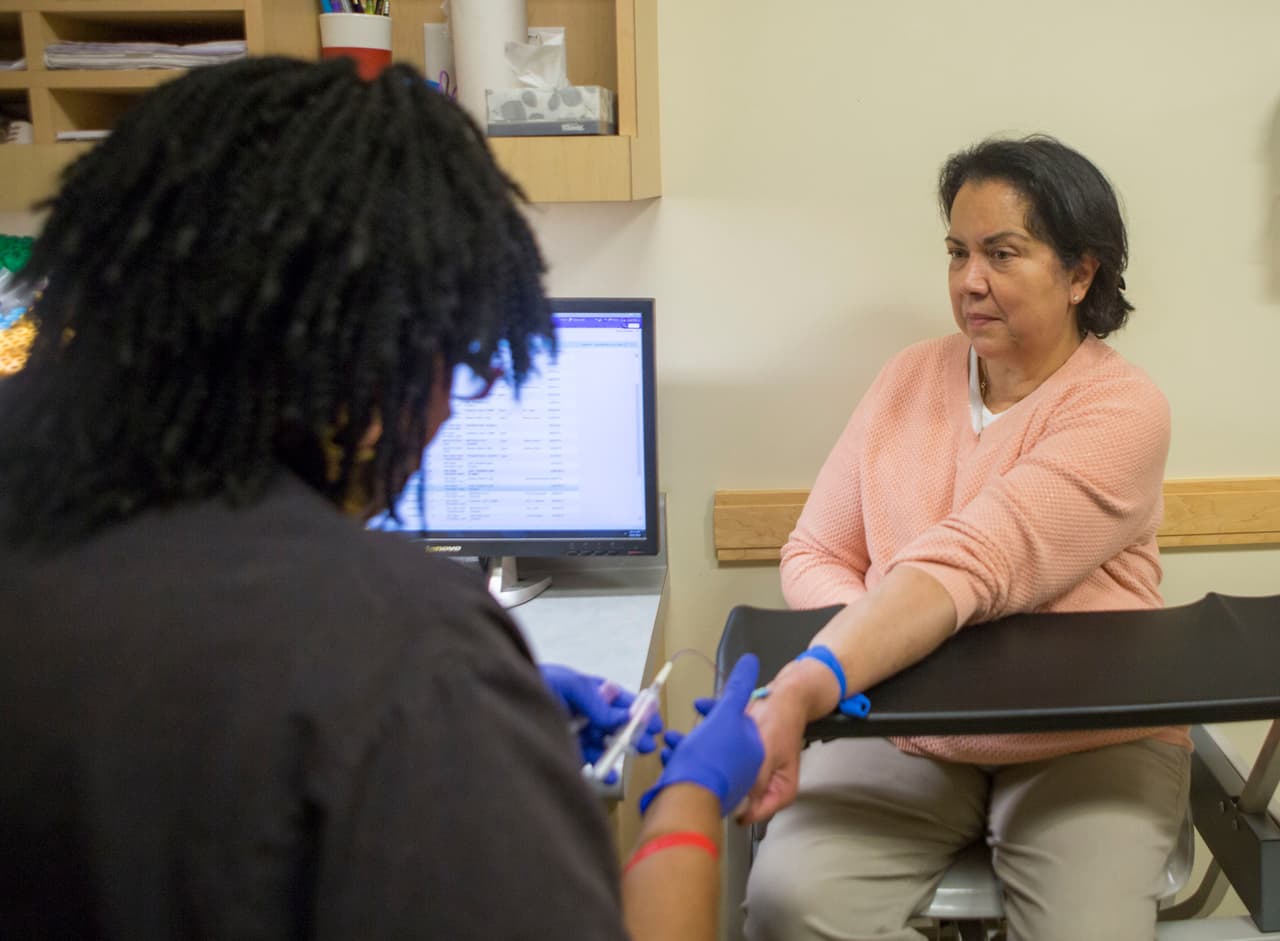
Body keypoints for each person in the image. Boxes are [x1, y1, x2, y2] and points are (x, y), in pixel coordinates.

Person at [0, 57, 763, 941]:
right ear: (373, 384)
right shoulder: (401, 650)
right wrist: (690, 802)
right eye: (465, 367)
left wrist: (481, 709)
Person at [740, 136, 1189, 941]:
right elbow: (813, 552)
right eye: (957, 252)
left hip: (1083, 736)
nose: (968, 281)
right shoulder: (908, 377)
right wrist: (885, 644)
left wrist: (830, 667)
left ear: (1081, 272)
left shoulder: (1122, 411)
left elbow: (973, 563)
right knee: (790, 903)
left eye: (1001, 253)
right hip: (903, 724)